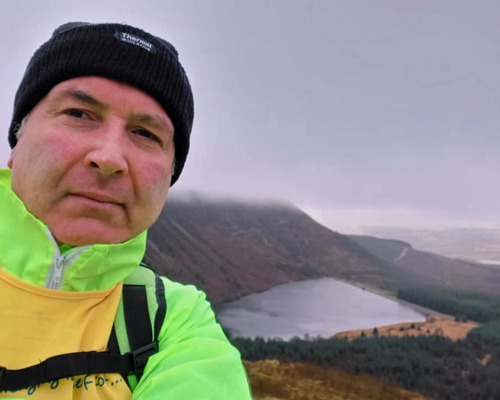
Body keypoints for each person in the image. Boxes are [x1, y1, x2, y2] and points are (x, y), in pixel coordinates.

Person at [0, 22, 252, 399]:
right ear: (17, 139)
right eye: (79, 113)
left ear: (169, 177)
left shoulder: (172, 320)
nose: (109, 157)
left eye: (145, 134)